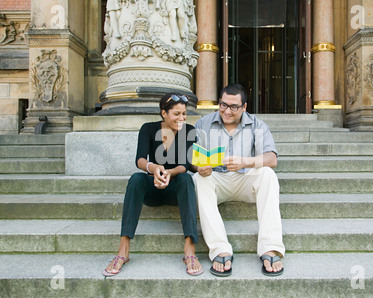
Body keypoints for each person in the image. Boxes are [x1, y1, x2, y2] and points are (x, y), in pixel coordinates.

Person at [103, 93, 203, 277]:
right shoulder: (148, 129)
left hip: (175, 188)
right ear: (164, 113)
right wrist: (155, 168)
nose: (181, 118)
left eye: (184, 114)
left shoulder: (189, 131)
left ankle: (190, 250)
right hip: (153, 187)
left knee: (186, 178)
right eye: (176, 114)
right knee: (136, 179)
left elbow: (186, 164)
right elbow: (140, 159)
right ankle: (123, 251)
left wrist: (169, 173)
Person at [191, 84, 285, 277]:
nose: (227, 110)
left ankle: (270, 248)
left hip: (245, 180)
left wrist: (246, 161)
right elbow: (193, 158)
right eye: (223, 105)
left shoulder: (258, 125)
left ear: (244, 107)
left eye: (234, 107)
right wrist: (199, 167)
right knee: (197, 178)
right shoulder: (203, 124)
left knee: (267, 174)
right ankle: (220, 249)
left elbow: (271, 159)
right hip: (217, 180)